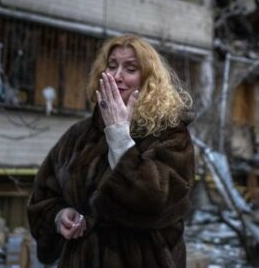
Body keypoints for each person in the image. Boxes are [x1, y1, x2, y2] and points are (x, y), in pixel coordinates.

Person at [27, 34, 195, 268]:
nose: (117, 76)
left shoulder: (169, 134)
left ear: (148, 79)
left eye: (130, 68)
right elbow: (43, 194)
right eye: (112, 65)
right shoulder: (79, 134)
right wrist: (59, 215)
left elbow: (158, 200)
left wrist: (119, 136)